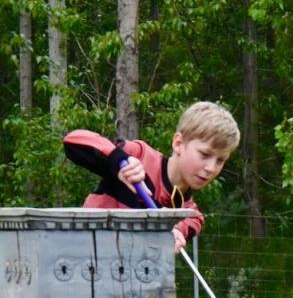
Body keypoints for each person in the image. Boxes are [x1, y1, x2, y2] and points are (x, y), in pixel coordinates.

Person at [63, 101, 240, 253]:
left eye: (220, 160)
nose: (211, 168)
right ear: (178, 143)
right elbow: (73, 141)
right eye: (204, 154)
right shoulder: (139, 156)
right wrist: (118, 162)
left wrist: (174, 235)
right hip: (83, 260)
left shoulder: (190, 216)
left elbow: (177, 235)